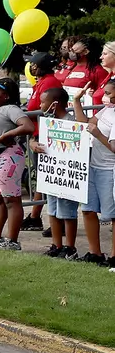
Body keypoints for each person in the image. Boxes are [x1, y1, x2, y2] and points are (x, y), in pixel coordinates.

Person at [0, 79, 34, 250]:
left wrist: (7, 135)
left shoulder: (12, 109)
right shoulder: (0, 108)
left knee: (11, 201)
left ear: (6, 96)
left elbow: (28, 126)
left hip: (7, 158)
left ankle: (12, 241)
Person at [32, 87, 80, 259]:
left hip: (66, 175)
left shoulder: (71, 122)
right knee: (52, 210)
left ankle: (70, 247)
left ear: (54, 103)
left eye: (43, 101)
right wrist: (32, 144)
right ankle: (56, 244)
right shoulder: (47, 121)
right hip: (52, 176)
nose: (40, 104)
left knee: (67, 212)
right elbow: (35, 139)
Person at [72, 88, 115, 265]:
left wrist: (97, 133)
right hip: (93, 166)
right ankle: (94, 252)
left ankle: (114, 256)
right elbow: (85, 123)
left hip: (109, 169)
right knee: (88, 209)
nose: (105, 96)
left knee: (113, 215)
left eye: (109, 93)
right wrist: (76, 101)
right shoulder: (107, 110)